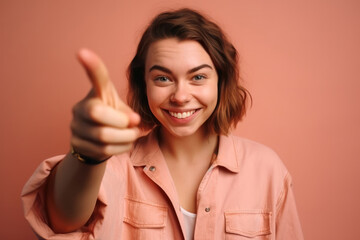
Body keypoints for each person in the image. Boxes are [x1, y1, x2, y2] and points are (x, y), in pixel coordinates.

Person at [22, 8, 304, 239]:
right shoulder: (114, 166)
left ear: (221, 80)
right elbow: (59, 222)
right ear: (143, 84)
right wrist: (86, 156)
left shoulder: (267, 170)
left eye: (198, 77)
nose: (180, 97)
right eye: (163, 78)